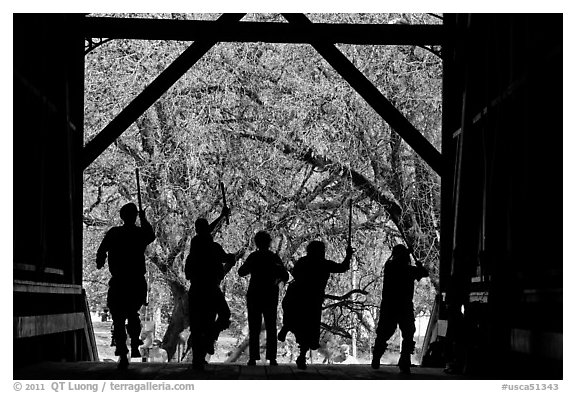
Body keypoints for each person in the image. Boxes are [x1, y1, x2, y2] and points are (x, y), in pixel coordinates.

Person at [96, 202, 156, 370]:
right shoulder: (138, 233)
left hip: (119, 281)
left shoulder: (114, 233)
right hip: (136, 281)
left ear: (122, 216)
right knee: (132, 313)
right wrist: (144, 219)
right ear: (135, 216)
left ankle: (122, 350)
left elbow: (101, 250)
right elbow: (151, 235)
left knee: (118, 317)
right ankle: (134, 344)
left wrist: (100, 261)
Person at [278, 240, 353, 370]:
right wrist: (348, 255)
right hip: (313, 300)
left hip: (297, 296)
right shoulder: (325, 264)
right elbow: (342, 268)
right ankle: (301, 353)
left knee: (297, 321)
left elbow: (294, 273)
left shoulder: (302, 261)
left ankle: (288, 327)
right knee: (309, 328)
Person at [185, 207, 235, 370]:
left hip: (195, 292)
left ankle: (197, 360)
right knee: (223, 315)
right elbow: (226, 257)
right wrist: (231, 258)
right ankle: (209, 339)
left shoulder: (194, 250)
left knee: (198, 324)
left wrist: (221, 217)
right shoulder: (213, 248)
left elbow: (187, 274)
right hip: (211, 291)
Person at [371, 244, 429, 374]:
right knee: (408, 333)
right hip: (404, 305)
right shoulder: (407, 269)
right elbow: (425, 273)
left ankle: (378, 356)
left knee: (385, 332)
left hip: (390, 305)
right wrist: (418, 264)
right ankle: (404, 361)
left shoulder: (390, 266)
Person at [238, 231, 289, 366]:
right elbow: (285, 275)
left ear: (256, 243)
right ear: (269, 242)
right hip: (270, 294)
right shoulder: (274, 258)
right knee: (271, 326)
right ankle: (272, 358)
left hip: (254, 294)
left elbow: (241, 272)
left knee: (254, 326)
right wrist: (277, 281)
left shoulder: (253, 257)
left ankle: (253, 358)